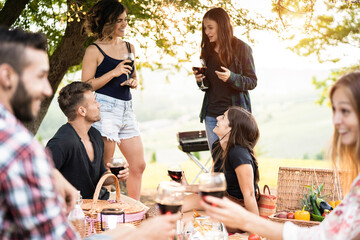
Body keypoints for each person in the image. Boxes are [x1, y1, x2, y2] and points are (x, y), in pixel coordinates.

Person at [0, 27, 181, 240]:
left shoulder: (93, 136)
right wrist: (142, 235)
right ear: (6, 76)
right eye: (40, 76)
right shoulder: (22, 150)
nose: (47, 90)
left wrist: (55, 176)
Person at [200, 72, 360, 240]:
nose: (336, 120)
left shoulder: (238, 153)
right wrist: (249, 223)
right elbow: (325, 234)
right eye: (335, 110)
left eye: (345, 111)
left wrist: (249, 223)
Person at [82, 0, 145, 200]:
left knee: (138, 165)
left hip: (127, 109)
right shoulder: (93, 50)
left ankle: (135, 211)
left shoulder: (129, 47)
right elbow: (86, 86)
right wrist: (113, 72)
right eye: (119, 20)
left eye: (125, 20)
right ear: (107, 22)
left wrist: (134, 82)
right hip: (104, 109)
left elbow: (133, 75)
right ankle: (106, 215)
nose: (124, 24)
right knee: (107, 172)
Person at [46, 82, 130, 200]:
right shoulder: (61, 142)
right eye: (94, 102)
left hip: (96, 204)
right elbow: (42, 179)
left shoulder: (95, 135)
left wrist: (116, 175)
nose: (99, 105)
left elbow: (101, 175)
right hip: (74, 211)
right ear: (82, 111)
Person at [194, 7, 257, 151]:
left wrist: (232, 77)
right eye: (205, 28)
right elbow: (207, 86)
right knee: (217, 162)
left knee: (239, 159)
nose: (207, 32)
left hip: (236, 118)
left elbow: (252, 81)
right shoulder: (207, 51)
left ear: (222, 26)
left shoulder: (242, 48)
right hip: (212, 116)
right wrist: (200, 81)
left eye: (210, 28)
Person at [183, 106, 260, 220]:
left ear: (232, 129)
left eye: (223, 117)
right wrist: (186, 187)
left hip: (238, 209)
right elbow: (212, 187)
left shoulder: (239, 154)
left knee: (185, 220)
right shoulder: (217, 147)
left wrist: (255, 230)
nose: (218, 118)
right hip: (220, 200)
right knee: (171, 207)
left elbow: (249, 195)